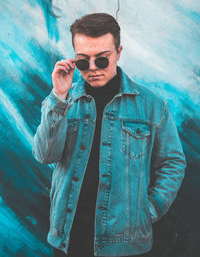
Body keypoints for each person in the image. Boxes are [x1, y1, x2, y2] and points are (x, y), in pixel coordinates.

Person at [32, 13, 186, 257]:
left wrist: (147, 211)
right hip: (68, 238)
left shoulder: (153, 107)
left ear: (118, 52)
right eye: (83, 62)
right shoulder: (62, 99)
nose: (92, 69)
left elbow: (172, 164)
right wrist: (58, 97)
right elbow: (44, 155)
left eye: (102, 60)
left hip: (126, 243)